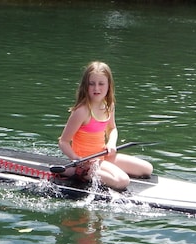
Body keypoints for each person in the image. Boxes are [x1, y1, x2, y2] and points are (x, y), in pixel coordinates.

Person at [58, 61, 153, 191]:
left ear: (109, 85)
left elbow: (112, 128)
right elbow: (63, 141)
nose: (96, 88)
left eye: (101, 84)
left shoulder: (109, 106)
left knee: (147, 169)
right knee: (122, 181)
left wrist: (111, 143)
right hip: (87, 161)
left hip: (103, 155)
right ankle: (75, 171)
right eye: (92, 84)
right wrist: (76, 159)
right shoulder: (82, 111)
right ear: (86, 86)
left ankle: (101, 169)